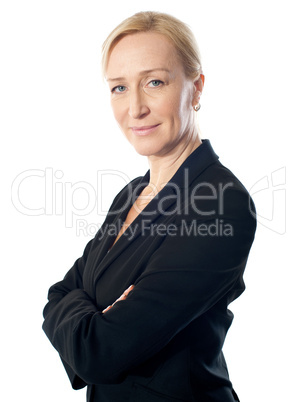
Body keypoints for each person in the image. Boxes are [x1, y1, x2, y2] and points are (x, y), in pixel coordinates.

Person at [42, 11, 257, 402]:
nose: (135, 108)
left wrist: (88, 323)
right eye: (119, 88)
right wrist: (88, 317)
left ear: (196, 88)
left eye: (154, 82)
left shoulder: (222, 203)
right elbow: (59, 293)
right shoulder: (130, 195)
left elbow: (98, 352)